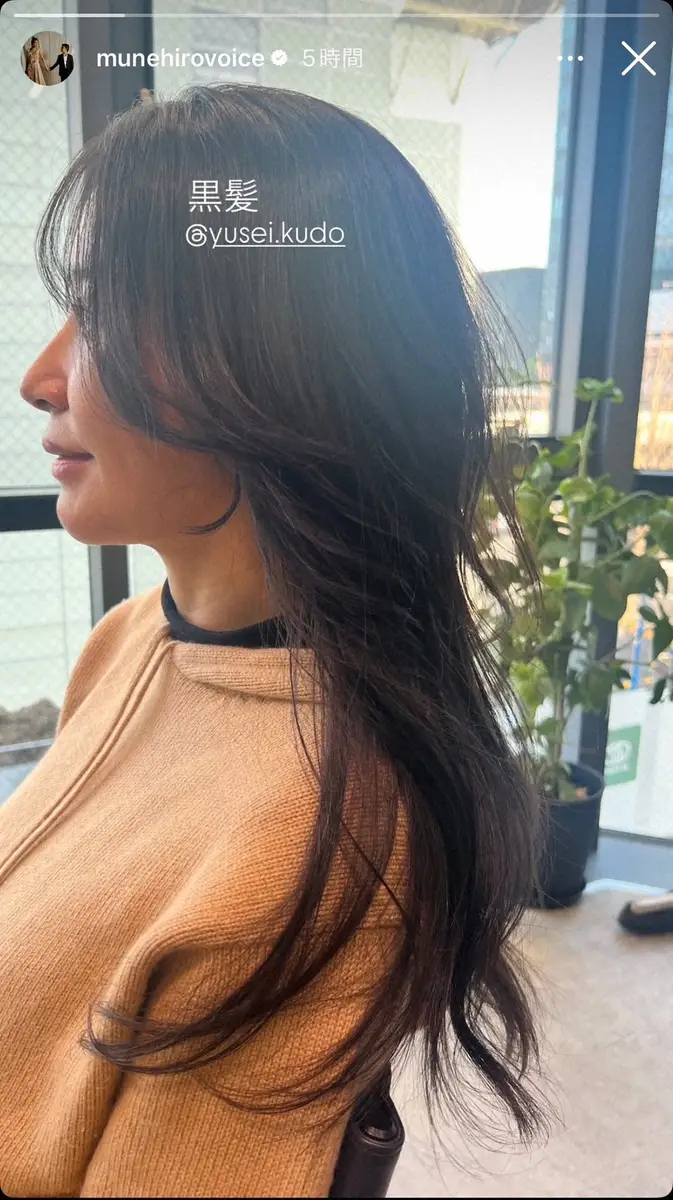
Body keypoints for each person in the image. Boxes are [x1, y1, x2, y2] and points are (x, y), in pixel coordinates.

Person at [3, 85, 552, 1196]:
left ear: (272, 367)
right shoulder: (128, 640)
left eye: (103, 313)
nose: (39, 378)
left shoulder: (324, 832)